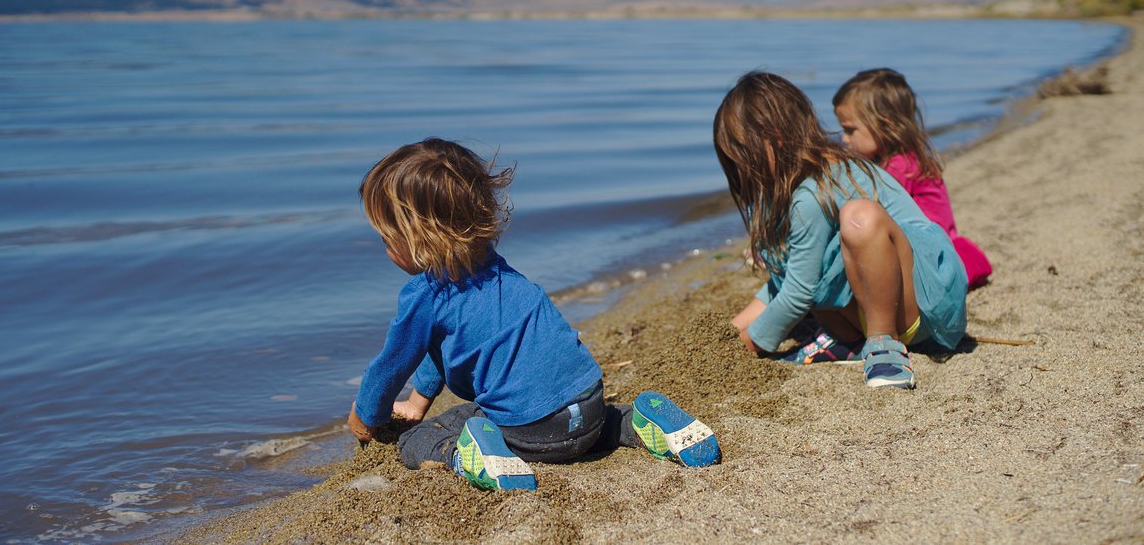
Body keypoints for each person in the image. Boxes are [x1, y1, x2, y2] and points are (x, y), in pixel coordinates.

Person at [347, 137, 720, 492]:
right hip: (587, 407)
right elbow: (446, 347)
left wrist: (366, 418)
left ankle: (467, 458)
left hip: (534, 432)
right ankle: (636, 425)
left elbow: (389, 367)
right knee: (592, 422)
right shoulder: (497, 270)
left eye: (386, 238)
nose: (384, 248)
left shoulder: (425, 296)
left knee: (421, 437)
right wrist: (417, 401)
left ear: (419, 237)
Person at [714, 72, 967, 388]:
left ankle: (884, 345)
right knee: (807, 259)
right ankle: (846, 341)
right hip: (896, 301)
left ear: (775, 138)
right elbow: (785, 282)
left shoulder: (815, 190)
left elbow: (797, 294)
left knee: (859, 218)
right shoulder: (798, 188)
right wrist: (728, 335)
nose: (739, 169)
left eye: (742, 156)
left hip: (927, 302)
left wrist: (748, 346)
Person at [832, 68, 992, 289]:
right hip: (926, 247)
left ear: (884, 124)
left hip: (932, 254)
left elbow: (870, 206)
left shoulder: (902, 166)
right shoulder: (896, 161)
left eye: (850, 130)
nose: (844, 138)